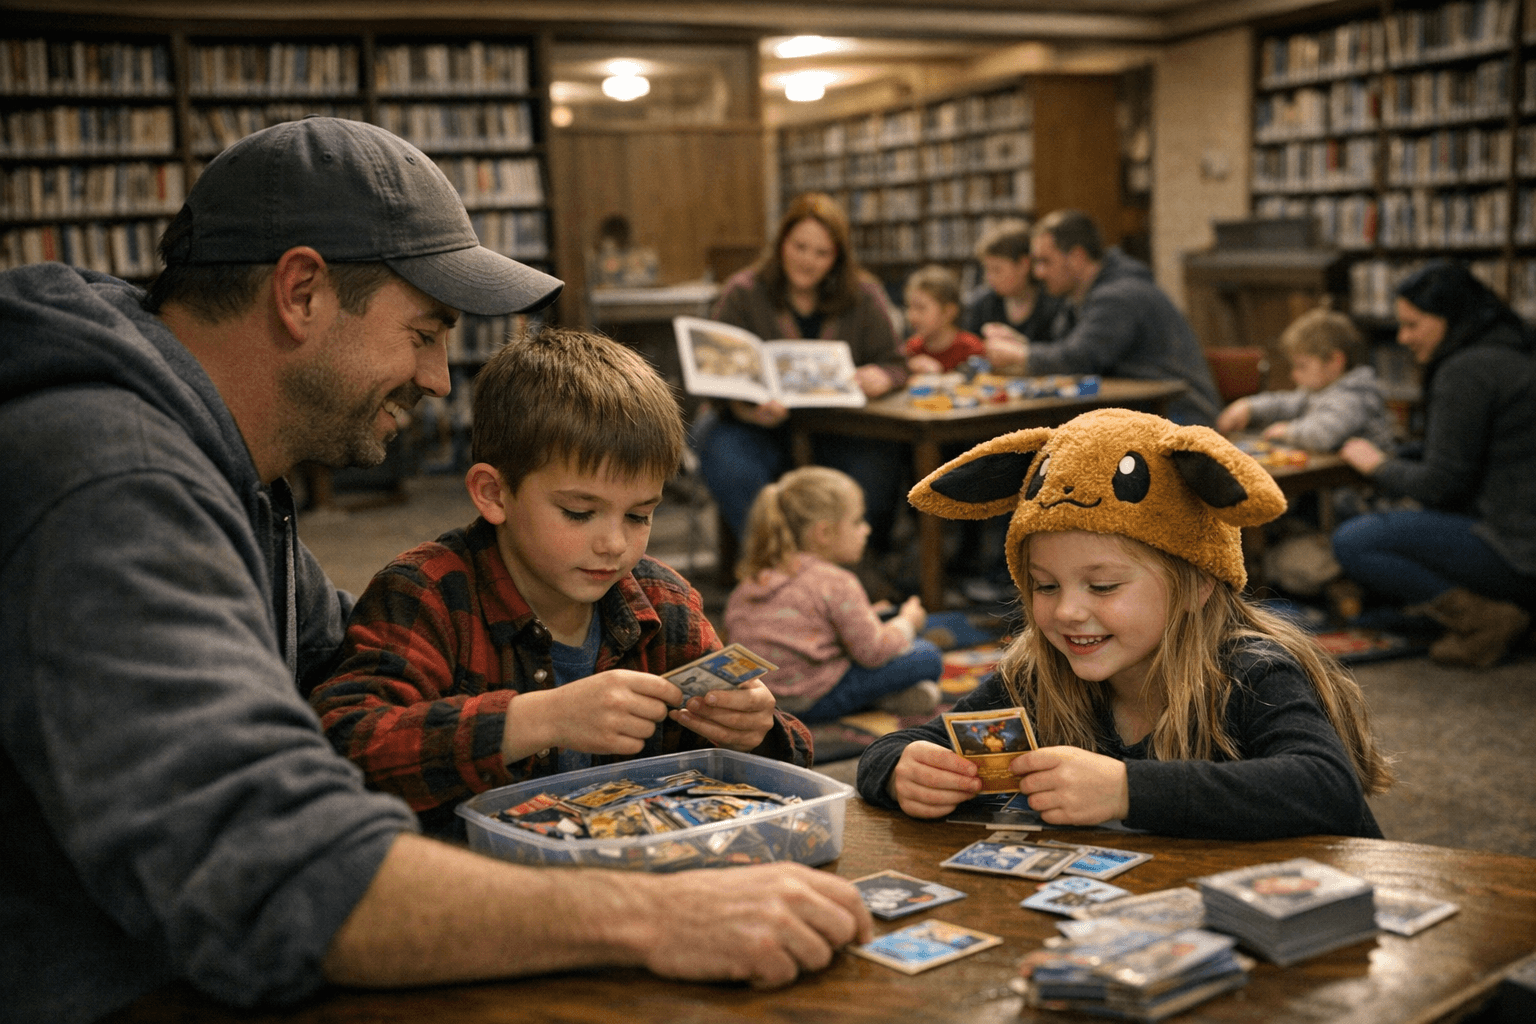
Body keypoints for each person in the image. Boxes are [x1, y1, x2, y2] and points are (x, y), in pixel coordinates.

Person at [0, 118, 870, 1024]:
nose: (439, 378)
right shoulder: (114, 479)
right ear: (301, 292)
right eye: (423, 331)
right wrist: (651, 913)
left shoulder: (217, 468)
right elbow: (279, 874)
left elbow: (331, 676)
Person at [311, 329, 813, 837]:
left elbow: (790, 760)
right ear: (494, 494)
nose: (614, 544)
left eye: (640, 516)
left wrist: (757, 733)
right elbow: (344, 748)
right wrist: (536, 720)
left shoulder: (665, 603)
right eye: (579, 512)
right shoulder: (426, 594)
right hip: (475, 891)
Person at [856, 408, 1393, 840]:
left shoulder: (1251, 670)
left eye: (1104, 586)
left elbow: (1326, 787)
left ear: (1198, 583)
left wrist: (1126, 790)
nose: (1067, 612)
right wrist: (902, 769)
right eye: (1045, 585)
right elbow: (897, 747)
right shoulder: (1037, 675)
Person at [1334, 261, 1536, 668]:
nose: (1403, 338)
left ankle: (1488, 622)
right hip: (1518, 531)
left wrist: (1377, 466)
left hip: (1516, 549)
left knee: (1354, 539)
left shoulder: (1466, 370)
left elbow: (1443, 483)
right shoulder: (1510, 349)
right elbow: (1468, 455)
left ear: (1450, 317)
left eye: (1413, 324)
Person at [693, 191, 909, 552]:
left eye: (821, 253)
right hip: (754, 424)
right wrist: (748, 408)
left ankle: (855, 570)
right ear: (781, 244)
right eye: (799, 247)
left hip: (841, 425)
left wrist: (883, 377)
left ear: (837, 257)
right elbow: (714, 379)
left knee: (878, 463)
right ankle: (774, 568)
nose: (807, 261)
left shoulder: (863, 294)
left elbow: (896, 362)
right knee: (726, 455)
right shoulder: (743, 293)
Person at [725, 467, 945, 722]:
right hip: (809, 701)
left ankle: (887, 699)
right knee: (926, 654)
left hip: (759, 700)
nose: (866, 530)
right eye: (857, 521)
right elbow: (872, 653)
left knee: (874, 636)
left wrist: (868, 616)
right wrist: (907, 621)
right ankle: (881, 699)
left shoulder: (754, 578)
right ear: (824, 533)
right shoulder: (835, 581)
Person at [987, 209, 1221, 426]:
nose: (1038, 273)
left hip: (1181, 418)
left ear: (1077, 257)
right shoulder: (1080, 297)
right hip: (1144, 415)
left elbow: (1079, 359)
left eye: (1045, 261)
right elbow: (1070, 351)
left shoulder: (1119, 296)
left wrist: (1021, 354)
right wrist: (1021, 347)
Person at [1215, 305, 1396, 453]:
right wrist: (1250, 407)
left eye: (1302, 365)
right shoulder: (1319, 389)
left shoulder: (1354, 397)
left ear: (1334, 361)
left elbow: (1322, 434)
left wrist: (1286, 431)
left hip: (1363, 493)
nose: (1294, 374)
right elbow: (1286, 403)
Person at [959, 217, 1067, 361]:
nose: (989, 277)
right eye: (986, 269)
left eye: (997, 270)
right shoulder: (982, 304)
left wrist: (1019, 347)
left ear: (1023, 265)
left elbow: (1062, 355)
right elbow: (968, 356)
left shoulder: (1055, 302)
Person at [902, 263, 985, 374]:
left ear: (948, 311)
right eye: (909, 307)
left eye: (921, 308)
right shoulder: (911, 349)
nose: (912, 315)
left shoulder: (972, 349)